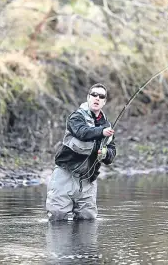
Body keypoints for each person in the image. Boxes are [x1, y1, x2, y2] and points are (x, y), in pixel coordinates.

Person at [46, 83, 116, 221]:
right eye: (94, 95)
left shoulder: (107, 125)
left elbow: (112, 151)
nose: (97, 98)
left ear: (104, 102)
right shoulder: (76, 117)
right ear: (88, 97)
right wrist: (101, 132)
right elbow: (82, 132)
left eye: (101, 96)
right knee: (57, 217)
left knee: (88, 219)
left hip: (88, 180)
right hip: (65, 174)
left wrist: (105, 153)